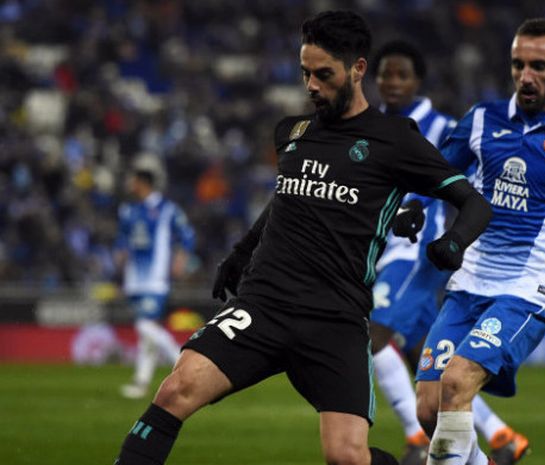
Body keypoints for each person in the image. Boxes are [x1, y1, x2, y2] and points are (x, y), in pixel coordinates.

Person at [114, 10, 492, 465]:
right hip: (264, 306)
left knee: (346, 457)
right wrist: (240, 254)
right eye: (305, 73)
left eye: (324, 74)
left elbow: (474, 203)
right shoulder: (292, 133)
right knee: (177, 388)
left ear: (357, 69)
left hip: (335, 318)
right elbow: (286, 201)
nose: (312, 85)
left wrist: (453, 243)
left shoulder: (396, 140)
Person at [393, 18, 545, 465]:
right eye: (518, 64)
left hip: (525, 290)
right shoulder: (482, 120)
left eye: (539, 65)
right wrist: (414, 204)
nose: (526, 75)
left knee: (457, 383)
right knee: (429, 409)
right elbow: (438, 172)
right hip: (467, 285)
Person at [370, 40, 528, 465]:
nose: (392, 82)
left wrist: (460, 237)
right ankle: (501, 436)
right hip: (384, 251)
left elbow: (470, 184)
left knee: (373, 335)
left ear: (417, 81)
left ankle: (416, 438)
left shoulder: (440, 127)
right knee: (431, 365)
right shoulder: (372, 127)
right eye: (385, 74)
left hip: (419, 252)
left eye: (401, 74)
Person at [114, 157, 195, 399]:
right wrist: (119, 260)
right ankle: (141, 382)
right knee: (145, 334)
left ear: (142, 182)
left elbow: (187, 234)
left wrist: (181, 258)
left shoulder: (166, 209)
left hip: (155, 278)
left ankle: (183, 362)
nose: (129, 183)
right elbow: (123, 241)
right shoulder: (128, 210)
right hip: (134, 280)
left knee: (144, 325)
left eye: (133, 179)